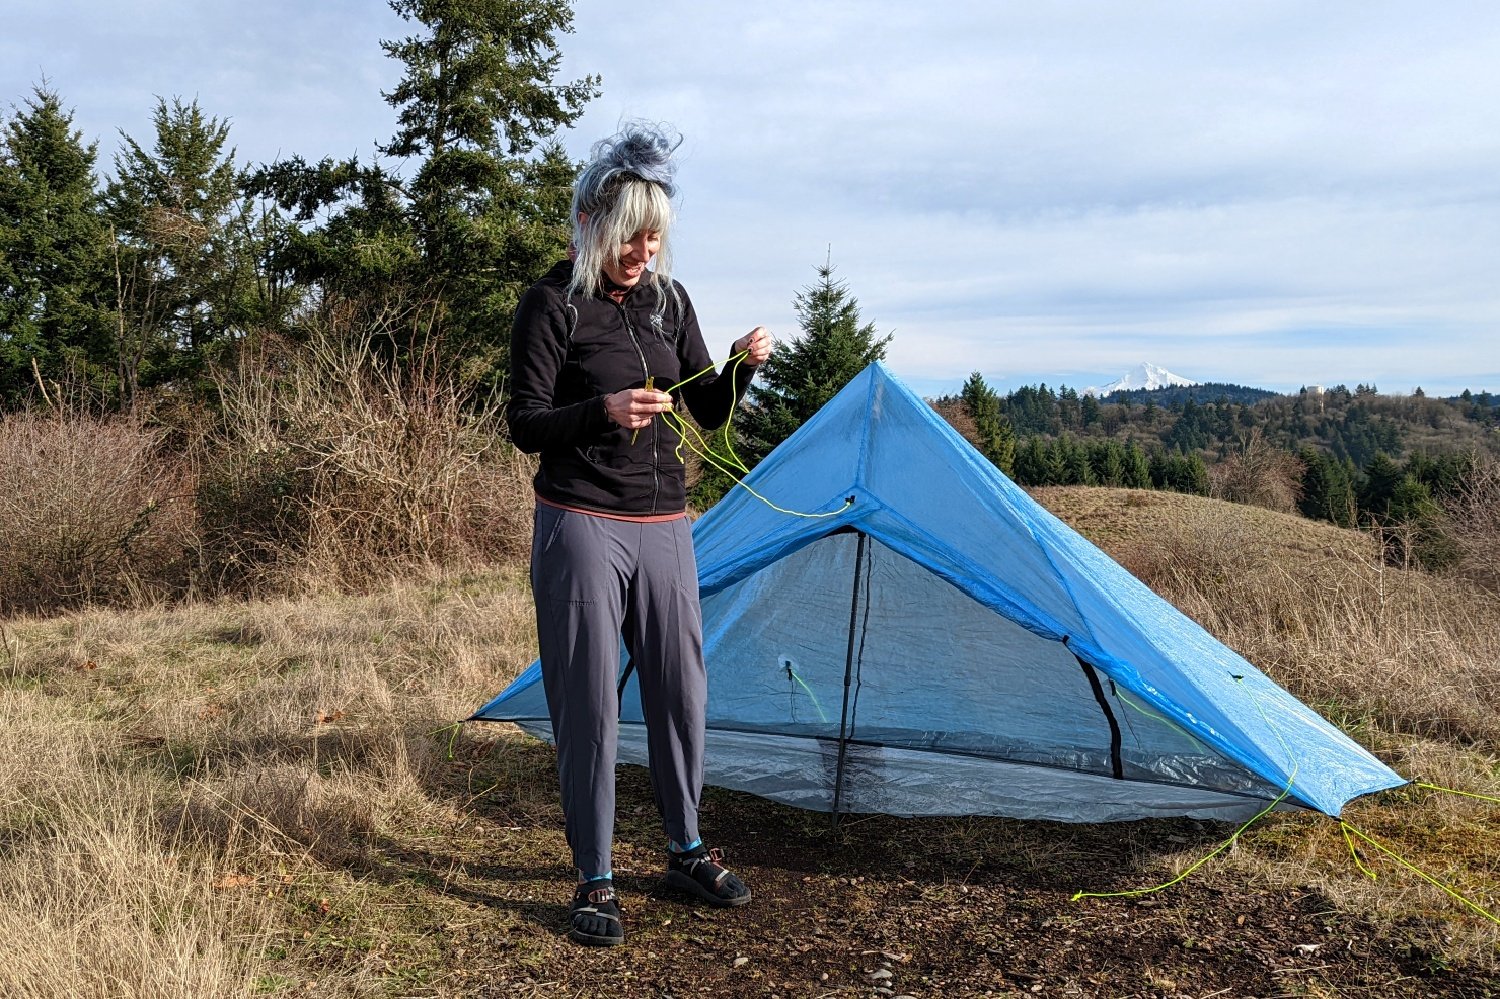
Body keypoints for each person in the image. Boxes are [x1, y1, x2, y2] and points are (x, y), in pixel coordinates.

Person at [506, 122, 772, 947]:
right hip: (581, 518)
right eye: (630, 235)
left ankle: (685, 848)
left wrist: (738, 367)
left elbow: (709, 409)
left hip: (665, 522)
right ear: (593, 225)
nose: (643, 251)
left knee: (680, 689)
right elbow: (525, 423)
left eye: (654, 235)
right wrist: (605, 410)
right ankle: (595, 874)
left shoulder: (670, 301)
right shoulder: (552, 303)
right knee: (587, 700)